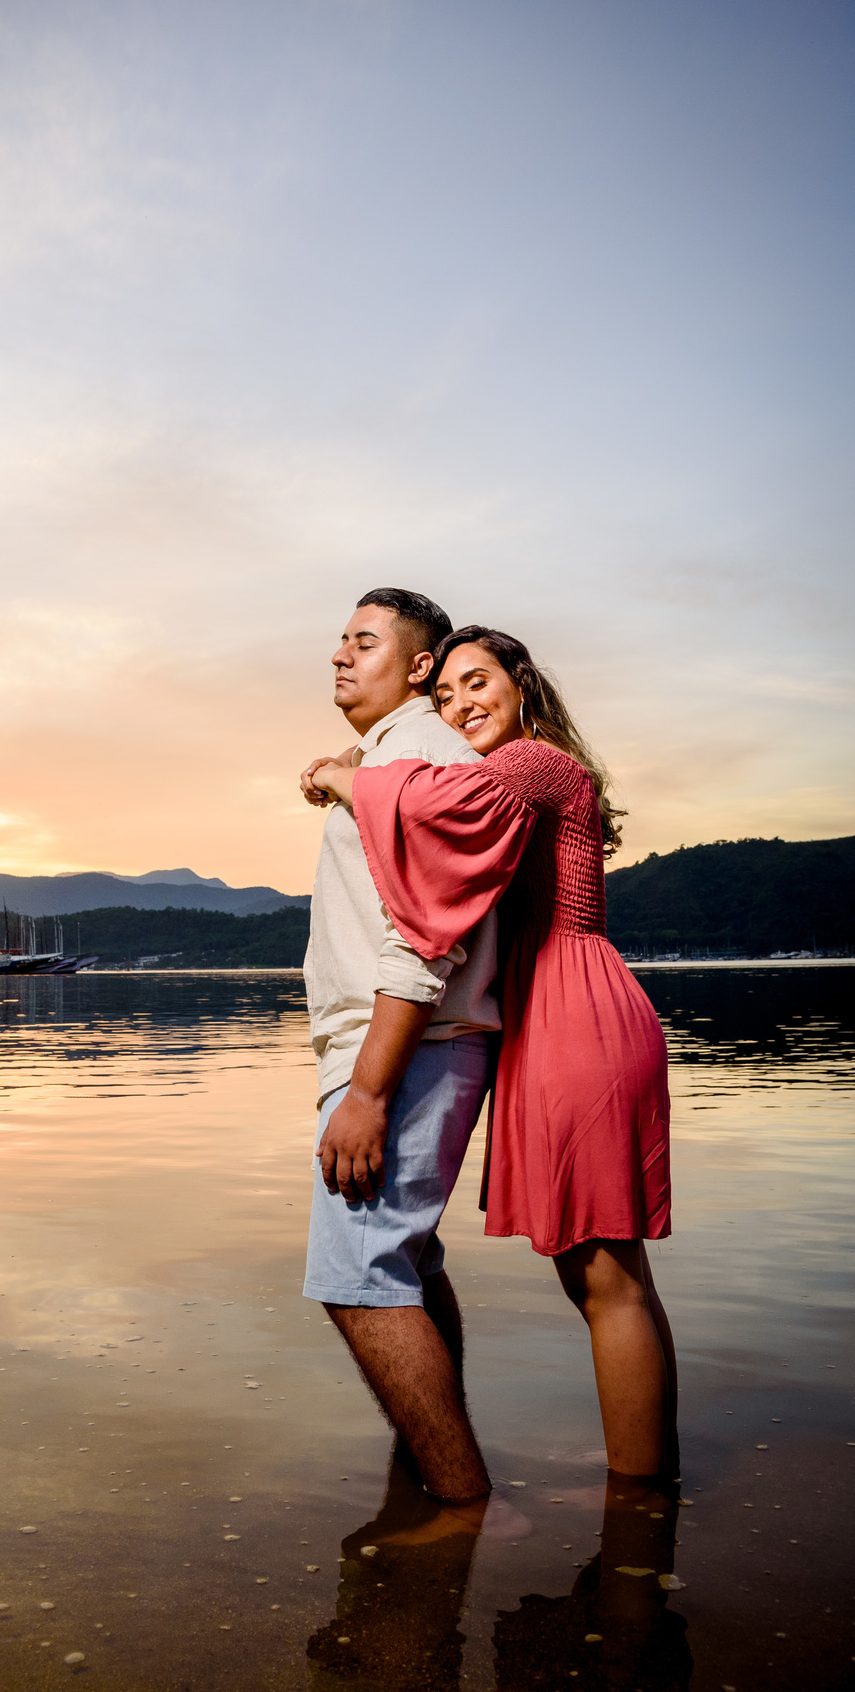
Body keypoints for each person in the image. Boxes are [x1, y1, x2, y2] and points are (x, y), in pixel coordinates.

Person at [305, 626, 677, 1482]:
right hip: (547, 1014)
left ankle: (641, 1495)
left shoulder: (534, 764)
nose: (461, 705)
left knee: (605, 1275)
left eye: (480, 683)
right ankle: (641, 1464)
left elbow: (434, 807)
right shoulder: (517, 772)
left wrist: (336, 773)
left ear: (523, 686)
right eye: (445, 696)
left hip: (573, 1009)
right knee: (593, 1272)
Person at [298, 589, 502, 1513]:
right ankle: (433, 1473)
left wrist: (369, 1092)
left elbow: (423, 936)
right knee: (406, 1266)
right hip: (411, 1046)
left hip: (401, 1050)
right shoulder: (391, 755)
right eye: (339, 640)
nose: (341, 655)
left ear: (420, 666)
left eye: (366, 642)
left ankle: (459, 1506)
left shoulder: (421, 754)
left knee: (359, 1279)